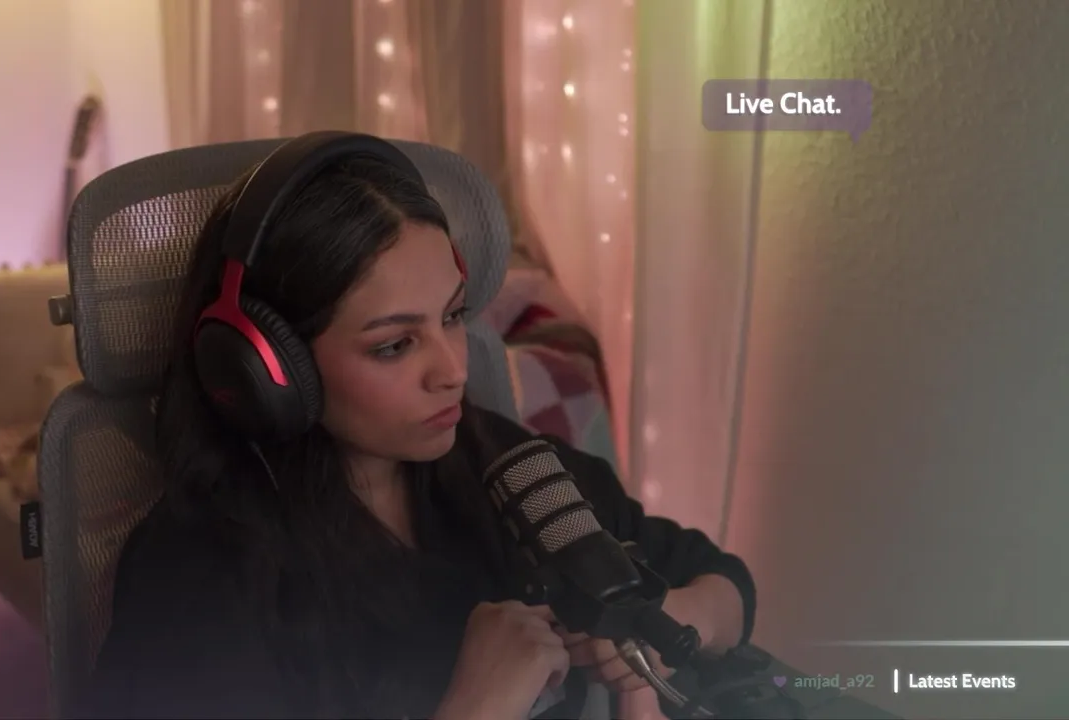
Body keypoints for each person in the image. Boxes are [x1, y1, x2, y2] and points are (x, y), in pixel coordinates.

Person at [88, 148, 756, 720]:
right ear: (271, 370)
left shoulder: (507, 466)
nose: (454, 370)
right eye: (394, 345)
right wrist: (473, 708)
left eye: (454, 317)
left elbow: (723, 584)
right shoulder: (197, 571)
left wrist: (674, 620)